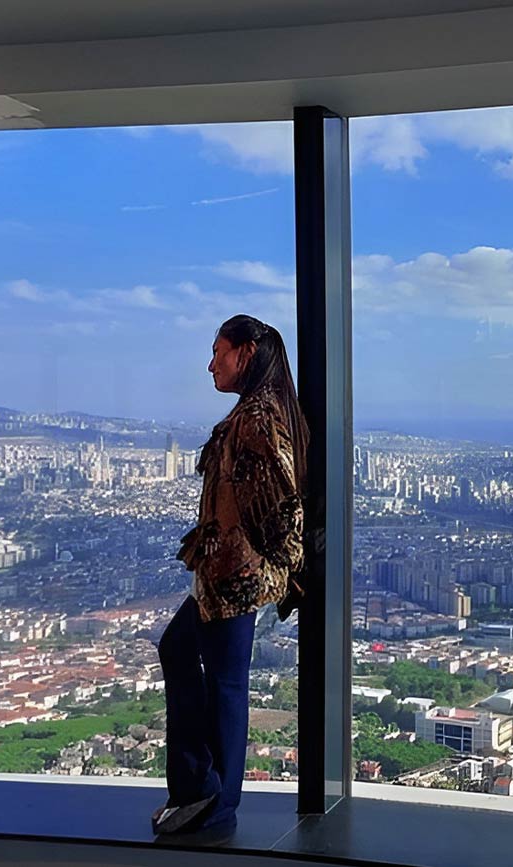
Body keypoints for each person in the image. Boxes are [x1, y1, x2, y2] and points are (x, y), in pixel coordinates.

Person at [151, 314, 309, 837]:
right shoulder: (253, 411)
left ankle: (213, 800)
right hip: (221, 573)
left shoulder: (258, 417)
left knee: (225, 684)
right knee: (190, 658)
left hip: (235, 576)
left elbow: (283, 502)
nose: (211, 364)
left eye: (219, 351)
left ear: (246, 352)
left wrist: (283, 567)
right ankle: (200, 789)